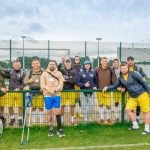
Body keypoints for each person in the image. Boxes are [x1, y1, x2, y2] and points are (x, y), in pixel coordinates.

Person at [103, 63, 150, 134]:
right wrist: (107, 87)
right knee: (128, 109)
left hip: (142, 94)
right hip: (133, 97)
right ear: (120, 69)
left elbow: (143, 82)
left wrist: (149, 91)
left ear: (127, 68)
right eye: (122, 69)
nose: (123, 70)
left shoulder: (134, 73)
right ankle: (135, 125)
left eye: (125, 68)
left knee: (145, 112)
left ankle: (147, 129)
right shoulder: (120, 78)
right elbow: (115, 85)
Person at [40, 60, 65, 137]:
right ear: (48, 65)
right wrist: (49, 90)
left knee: (57, 111)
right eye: (50, 64)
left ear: (55, 65)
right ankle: (51, 128)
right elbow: (42, 85)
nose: (52, 65)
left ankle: (59, 129)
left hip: (57, 95)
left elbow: (61, 83)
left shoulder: (59, 73)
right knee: (49, 112)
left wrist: (55, 90)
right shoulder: (44, 74)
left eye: (53, 64)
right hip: (48, 96)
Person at [3, 60, 25, 127]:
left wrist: (19, 88)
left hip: (19, 92)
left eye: (18, 65)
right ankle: (12, 119)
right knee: (10, 106)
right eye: (15, 65)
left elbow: (24, 83)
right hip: (10, 92)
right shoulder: (10, 71)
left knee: (20, 106)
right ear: (13, 65)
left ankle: (20, 119)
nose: (17, 66)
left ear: (20, 65)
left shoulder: (23, 73)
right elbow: (2, 69)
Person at [95, 57, 116, 125]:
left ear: (107, 62)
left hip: (108, 90)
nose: (104, 62)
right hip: (99, 90)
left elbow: (114, 79)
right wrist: (95, 86)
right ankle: (101, 119)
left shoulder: (110, 69)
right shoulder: (97, 69)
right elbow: (94, 79)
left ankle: (108, 118)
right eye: (103, 61)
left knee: (108, 105)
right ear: (101, 62)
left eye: (105, 61)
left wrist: (115, 86)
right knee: (100, 105)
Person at [127, 56, 147, 123]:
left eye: (131, 60)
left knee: (138, 104)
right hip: (130, 89)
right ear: (127, 61)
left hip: (138, 89)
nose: (130, 61)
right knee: (131, 105)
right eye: (129, 60)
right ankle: (133, 119)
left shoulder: (138, 68)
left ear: (133, 61)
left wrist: (144, 78)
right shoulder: (126, 68)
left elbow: (144, 75)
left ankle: (137, 118)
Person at [24, 59, 44, 125]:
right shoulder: (29, 72)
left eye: (37, 63)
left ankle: (41, 123)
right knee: (33, 108)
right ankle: (34, 123)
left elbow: (46, 81)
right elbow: (24, 82)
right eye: (34, 63)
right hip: (32, 93)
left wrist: (43, 87)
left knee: (41, 108)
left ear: (39, 64)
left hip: (41, 93)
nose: (35, 65)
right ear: (32, 65)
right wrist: (29, 81)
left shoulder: (43, 71)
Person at [60, 58, 77, 126]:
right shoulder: (62, 70)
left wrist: (65, 81)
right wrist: (61, 62)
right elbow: (57, 69)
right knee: (62, 106)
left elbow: (74, 81)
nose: (67, 63)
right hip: (63, 90)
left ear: (70, 63)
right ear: (65, 63)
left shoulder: (74, 71)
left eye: (68, 62)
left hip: (71, 90)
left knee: (72, 106)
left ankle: (72, 120)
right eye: (66, 62)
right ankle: (61, 120)